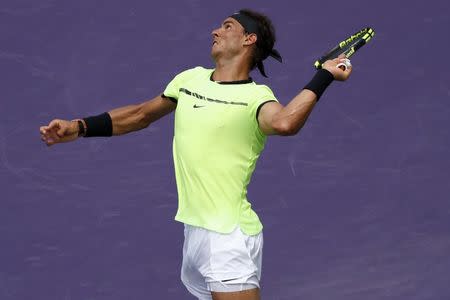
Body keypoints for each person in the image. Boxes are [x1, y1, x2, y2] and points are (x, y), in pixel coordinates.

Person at [39, 9, 352, 300]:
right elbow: (140, 115)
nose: (215, 31)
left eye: (227, 26)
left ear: (248, 39)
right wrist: (79, 127)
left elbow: (284, 123)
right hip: (195, 233)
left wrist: (324, 75)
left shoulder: (256, 97)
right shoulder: (190, 79)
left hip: (227, 237)